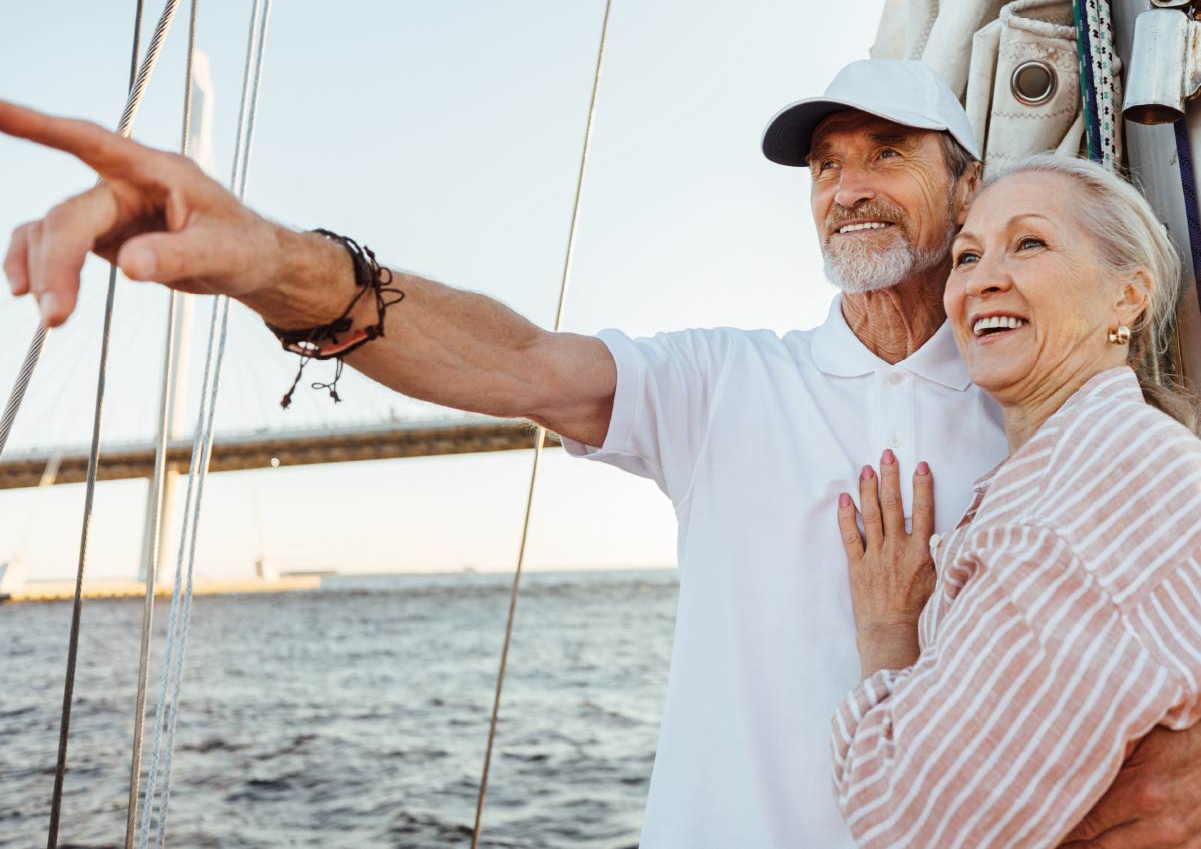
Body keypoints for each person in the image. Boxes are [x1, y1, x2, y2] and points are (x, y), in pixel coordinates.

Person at [2, 61, 1200, 848]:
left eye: (885, 152)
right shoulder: (730, 382)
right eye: (825, 164)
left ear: (964, 183)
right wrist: (275, 262)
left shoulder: (1055, 422)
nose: (846, 188)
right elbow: (517, 359)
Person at [832, 154, 1201, 848]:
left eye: (1028, 243)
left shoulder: (1077, 501)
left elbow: (911, 820)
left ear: (1127, 296)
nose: (982, 279)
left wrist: (887, 629)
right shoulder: (1122, 460)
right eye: (966, 255)